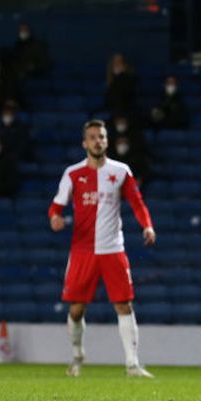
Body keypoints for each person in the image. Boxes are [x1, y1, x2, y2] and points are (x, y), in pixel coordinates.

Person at [49, 120, 156, 378]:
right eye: (93, 137)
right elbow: (55, 207)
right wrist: (55, 219)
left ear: (107, 141)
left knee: (124, 305)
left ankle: (132, 364)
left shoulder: (120, 171)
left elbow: (137, 203)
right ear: (85, 143)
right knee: (76, 309)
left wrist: (148, 226)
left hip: (113, 249)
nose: (98, 141)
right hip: (83, 251)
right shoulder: (73, 173)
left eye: (102, 136)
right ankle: (77, 354)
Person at [103, 53, 138, 118]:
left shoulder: (130, 79)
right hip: (114, 110)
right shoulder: (111, 80)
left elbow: (129, 95)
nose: (117, 65)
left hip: (127, 110)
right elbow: (108, 100)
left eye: (119, 62)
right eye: (115, 63)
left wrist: (121, 74)